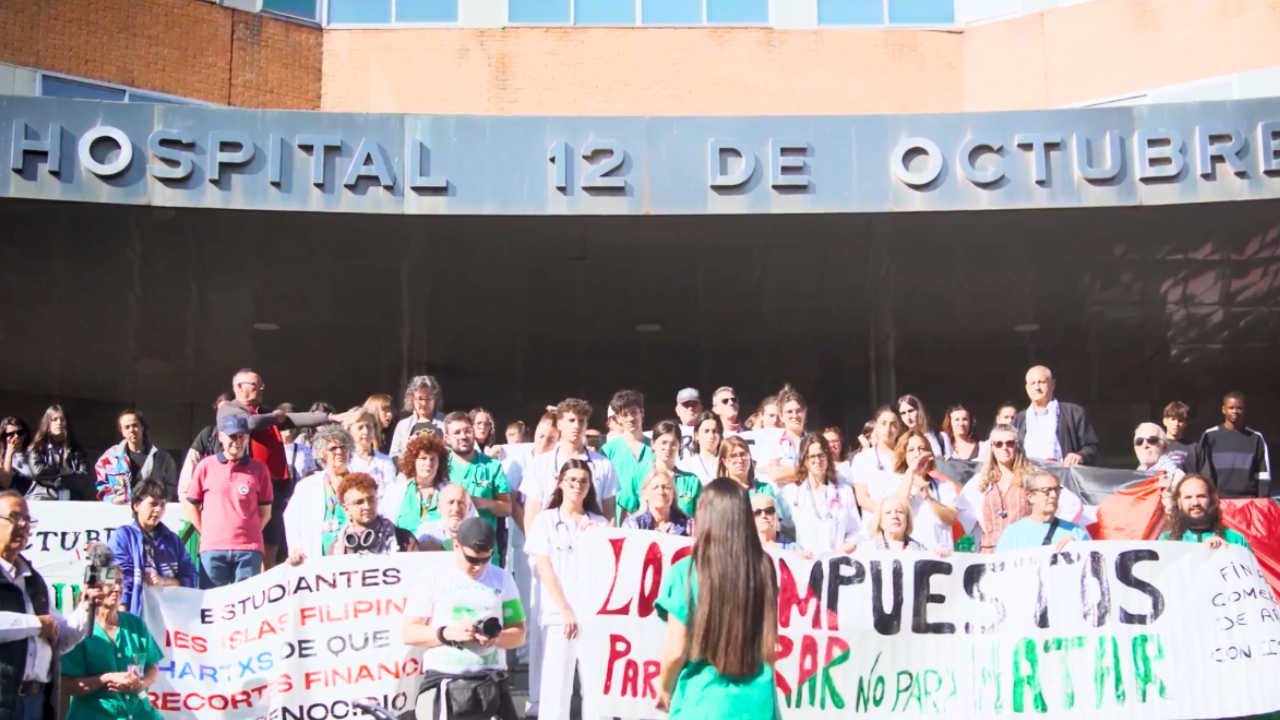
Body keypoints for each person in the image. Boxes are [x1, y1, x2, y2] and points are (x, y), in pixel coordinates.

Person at [656, 478, 779, 719]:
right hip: (758, 701)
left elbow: (677, 649)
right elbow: (769, 642)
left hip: (703, 701)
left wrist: (664, 688)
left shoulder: (685, 571)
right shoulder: (764, 566)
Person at [401, 517, 525, 720]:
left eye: (486, 559)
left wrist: (496, 638)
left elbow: (519, 634)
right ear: (456, 545)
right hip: (446, 682)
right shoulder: (431, 576)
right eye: (472, 560)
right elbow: (408, 632)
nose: (478, 567)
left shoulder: (503, 578)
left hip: (491, 683)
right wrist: (447, 633)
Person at [216, 369, 337, 570]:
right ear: (239, 386)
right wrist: (275, 417)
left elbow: (296, 418)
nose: (261, 388)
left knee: (272, 540)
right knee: (252, 538)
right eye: (256, 385)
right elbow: (248, 423)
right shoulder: (228, 408)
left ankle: (268, 578)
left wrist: (331, 417)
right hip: (246, 483)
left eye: (262, 385)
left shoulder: (266, 412)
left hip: (275, 485)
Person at [0, 490, 100, 720]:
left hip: (37, 702)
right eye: (14, 517)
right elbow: (43, 626)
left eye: (27, 519)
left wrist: (86, 607)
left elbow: (60, 637)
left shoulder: (33, 581)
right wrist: (36, 625)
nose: (23, 524)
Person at [525, 460, 609, 720]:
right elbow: (544, 567)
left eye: (583, 481)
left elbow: (608, 570)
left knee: (597, 692)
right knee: (555, 691)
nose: (577, 486)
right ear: (560, 483)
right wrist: (564, 609)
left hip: (592, 618)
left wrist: (600, 539)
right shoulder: (546, 520)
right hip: (557, 616)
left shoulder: (600, 523)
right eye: (571, 480)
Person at [60, 564, 164, 720]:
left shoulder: (135, 625)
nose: (117, 588)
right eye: (110, 583)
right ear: (93, 588)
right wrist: (107, 678)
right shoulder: (77, 631)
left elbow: (152, 668)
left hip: (141, 714)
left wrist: (139, 685)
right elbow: (67, 686)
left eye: (120, 582)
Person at [183, 415, 273, 588]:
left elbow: (266, 512)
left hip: (249, 550)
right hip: (213, 549)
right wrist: (207, 532)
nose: (237, 442)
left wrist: (249, 531)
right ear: (221, 436)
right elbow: (191, 506)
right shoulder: (205, 466)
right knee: (212, 605)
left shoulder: (259, 469)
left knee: (246, 606)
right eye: (232, 436)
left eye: (242, 436)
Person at [522, 399, 618, 531]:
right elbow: (531, 514)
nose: (577, 426)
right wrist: (534, 548)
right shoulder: (539, 464)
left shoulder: (604, 465)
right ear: (560, 424)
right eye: (571, 420)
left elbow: (610, 513)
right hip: (550, 541)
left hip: (591, 540)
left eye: (581, 421)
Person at [108, 479, 198, 617]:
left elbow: (192, 577)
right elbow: (121, 579)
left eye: (162, 505)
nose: (158, 510)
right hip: (137, 615)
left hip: (170, 618)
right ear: (136, 505)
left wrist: (166, 581)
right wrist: (123, 618)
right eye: (153, 504)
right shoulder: (123, 536)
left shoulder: (173, 540)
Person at [283, 425, 355, 565]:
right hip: (317, 561)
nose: (339, 451)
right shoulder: (307, 487)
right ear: (322, 454)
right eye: (333, 448)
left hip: (352, 558)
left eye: (343, 447)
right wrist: (297, 548)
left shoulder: (360, 482)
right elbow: (291, 520)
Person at [778, 434, 859, 554]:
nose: (817, 461)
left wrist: (850, 543)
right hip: (804, 563)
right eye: (812, 456)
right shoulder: (790, 494)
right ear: (804, 460)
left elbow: (855, 529)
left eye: (821, 455)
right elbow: (781, 531)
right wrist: (794, 550)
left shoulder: (844, 492)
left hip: (836, 562)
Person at [962, 425, 1034, 553]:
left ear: (1017, 446)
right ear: (992, 448)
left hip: (1024, 552)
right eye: (998, 444)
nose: (1004, 448)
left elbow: (1065, 505)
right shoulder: (979, 481)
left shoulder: (1032, 478)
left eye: (1010, 443)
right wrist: (979, 518)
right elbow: (961, 512)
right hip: (989, 554)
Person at [1014, 366, 1099, 466]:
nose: (1037, 387)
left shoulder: (1073, 413)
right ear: (1027, 388)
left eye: (1042, 382)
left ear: (1053, 385)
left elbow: (1092, 448)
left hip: (1063, 477)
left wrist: (1080, 456)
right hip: (1028, 476)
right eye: (1032, 383)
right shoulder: (1019, 420)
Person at [444, 412, 512, 534]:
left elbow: (507, 509)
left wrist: (485, 502)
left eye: (467, 431)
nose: (463, 436)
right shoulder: (441, 467)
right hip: (449, 548)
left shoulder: (492, 466)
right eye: (457, 433)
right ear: (447, 439)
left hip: (485, 547)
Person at [891, 430, 958, 552]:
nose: (917, 454)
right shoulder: (895, 484)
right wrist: (911, 471)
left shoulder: (944, 485)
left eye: (921, 448)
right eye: (911, 450)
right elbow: (897, 507)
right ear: (904, 455)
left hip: (941, 555)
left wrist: (929, 498)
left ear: (929, 453)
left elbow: (951, 518)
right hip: (910, 556)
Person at [994, 471, 1091, 553]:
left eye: (1057, 490)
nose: (1053, 495)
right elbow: (1001, 572)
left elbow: (1093, 568)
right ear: (1031, 497)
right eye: (1046, 491)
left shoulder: (1076, 532)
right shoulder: (1013, 533)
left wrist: (1078, 550)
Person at [94, 410, 176, 504]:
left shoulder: (163, 458)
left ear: (142, 427)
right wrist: (112, 498)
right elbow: (101, 485)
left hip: (150, 512)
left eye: (135, 425)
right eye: (127, 427)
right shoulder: (110, 457)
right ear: (122, 431)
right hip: (118, 510)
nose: (131, 430)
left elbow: (170, 488)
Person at [1200, 391, 1271, 498]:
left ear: (1244, 410)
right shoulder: (1209, 436)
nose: (1235, 411)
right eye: (1231, 408)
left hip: (1248, 500)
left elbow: (1263, 473)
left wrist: (1263, 500)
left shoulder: (1256, 438)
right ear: (1224, 409)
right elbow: (1202, 470)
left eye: (1239, 408)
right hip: (1218, 500)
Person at [383, 433, 454, 538]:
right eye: (423, 458)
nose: (428, 463)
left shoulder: (451, 491)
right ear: (413, 462)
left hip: (441, 552)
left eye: (433, 459)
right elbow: (385, 527)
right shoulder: (394, 491)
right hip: (404, 552)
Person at [326, 473, 412, 555]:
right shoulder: (335, 548)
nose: (367, 506)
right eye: (359, 502)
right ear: (346, 509)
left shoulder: (404, 539)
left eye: (371, 500)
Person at [1158, 474, 1251, 549]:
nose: (1195, 503)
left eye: (1201, 496)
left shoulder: (1235, 539)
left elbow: (1249, 571)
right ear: (1179, 503)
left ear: (1213, 500)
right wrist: (1201, 552)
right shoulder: (1166, 540)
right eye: (1188, 497)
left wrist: (1227, 553)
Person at [601, 390, 653, 520]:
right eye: (625, 414)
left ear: (642, 412)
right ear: (618, 418)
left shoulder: (655, 448)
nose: (630, 419)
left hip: (650, 519)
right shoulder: (608, 451)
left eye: (634, 412)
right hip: (617, 518)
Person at [23, 405, 88, 501]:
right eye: (54, 419)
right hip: (41, 496)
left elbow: (84, 478)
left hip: (70, 498)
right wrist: (66, 472)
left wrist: (58, 478)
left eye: (62, 420)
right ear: (47, 424)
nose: (59, 423)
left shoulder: (77, 450)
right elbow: (37, 472)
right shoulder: (37, 447)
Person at [862, 495, 951, 557]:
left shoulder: (921, 551)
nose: (895, 516)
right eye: (888, 513)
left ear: (907, 518)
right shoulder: (866, 551)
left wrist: (942, 557)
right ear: (879, 520)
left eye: (900, 512)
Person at [851, 407, 901, 514]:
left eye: (893, 424)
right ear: (876, 425)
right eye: (883, 423)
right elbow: (862, 498)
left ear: (899, 427)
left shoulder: (906, 458)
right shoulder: (862, 459)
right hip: (873, 525)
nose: (887, 429)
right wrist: (886, 514)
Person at [645, 421, 701, 517]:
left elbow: (701, 518)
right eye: (664, 442)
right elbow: (628, 518)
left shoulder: (692, 482)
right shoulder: (640, 478)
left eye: (673, 443)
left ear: (680, 446)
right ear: (653, 444)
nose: (668, 448)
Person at [622, 469, 695, 537]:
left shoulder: (688, 525)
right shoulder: (633, 525)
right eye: (655, 487)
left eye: (666, 487)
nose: (661, 492)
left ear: (673, 494)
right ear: (645, 494)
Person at [1133, 422, 1183, 515]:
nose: (1145, 445)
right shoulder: (1133, 479)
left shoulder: (1177, 477)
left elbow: (1181, 517)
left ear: (1163, 446)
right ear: (1135, 449)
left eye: (1151, 440)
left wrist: (1168, 494)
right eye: (1139, 441)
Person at [389, 375, 446, 458]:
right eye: (419, 398)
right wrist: (408, 449)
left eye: (428, 398)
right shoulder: (403, 425)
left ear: (435, 399)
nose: (423, 403)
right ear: (412, 399)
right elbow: (393, 456)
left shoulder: (446, 421)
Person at [761, 384, 807, 485]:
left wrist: (786, 470)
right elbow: (775, 474)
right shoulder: (772, 441)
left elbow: (822, 472)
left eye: (798, 411)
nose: (794, 415)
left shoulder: (813, 441)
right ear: (781, 416)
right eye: (789, 412)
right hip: (782, 500)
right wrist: (807, 470)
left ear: (805, 412)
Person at [344, 408, 398, 492]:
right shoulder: (346, 461)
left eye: (369, 427)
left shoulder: (385, 461)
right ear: (349, 431)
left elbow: (391, 492)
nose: (366, 431)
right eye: (360, 427)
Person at [1160, 401, 1210, 477]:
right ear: (1165, 421)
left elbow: (1206, 476)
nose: (1176, 424)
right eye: (1173, 419)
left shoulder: (1194, 448)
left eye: (1180, 420)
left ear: (1185, 424)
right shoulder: (1158, 446)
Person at [417, 484, 473, 551]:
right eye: (450, 502)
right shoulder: (427, 530)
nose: (456, 508)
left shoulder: (477, 534)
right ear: (439, 507)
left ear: (469, 507)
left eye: (461, 503)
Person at [897, 394, 951, 459]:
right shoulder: (901, 441)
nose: (908, 417)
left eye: (910, 411)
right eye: (903, 413)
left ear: (919, 411)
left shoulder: (941, 438)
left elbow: (950, 464)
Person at [677, 412, 723, 485]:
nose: (711, 436)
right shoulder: (687, 464)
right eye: (706, 431)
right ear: (696, 435)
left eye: (715, 431)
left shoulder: (727, 463)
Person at [276, 404, 316, 481]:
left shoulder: (305, 450)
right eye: (284, 424)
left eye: (292, 424)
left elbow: (310, 477)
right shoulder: (270, 450)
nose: (288, 428)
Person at [0, 418, 32, 493]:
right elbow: (6, 483)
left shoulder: (33, 454)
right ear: (4, 437)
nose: (16, 436)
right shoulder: (1, 458)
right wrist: (9, 452)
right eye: (11, 434)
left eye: (20, 433)